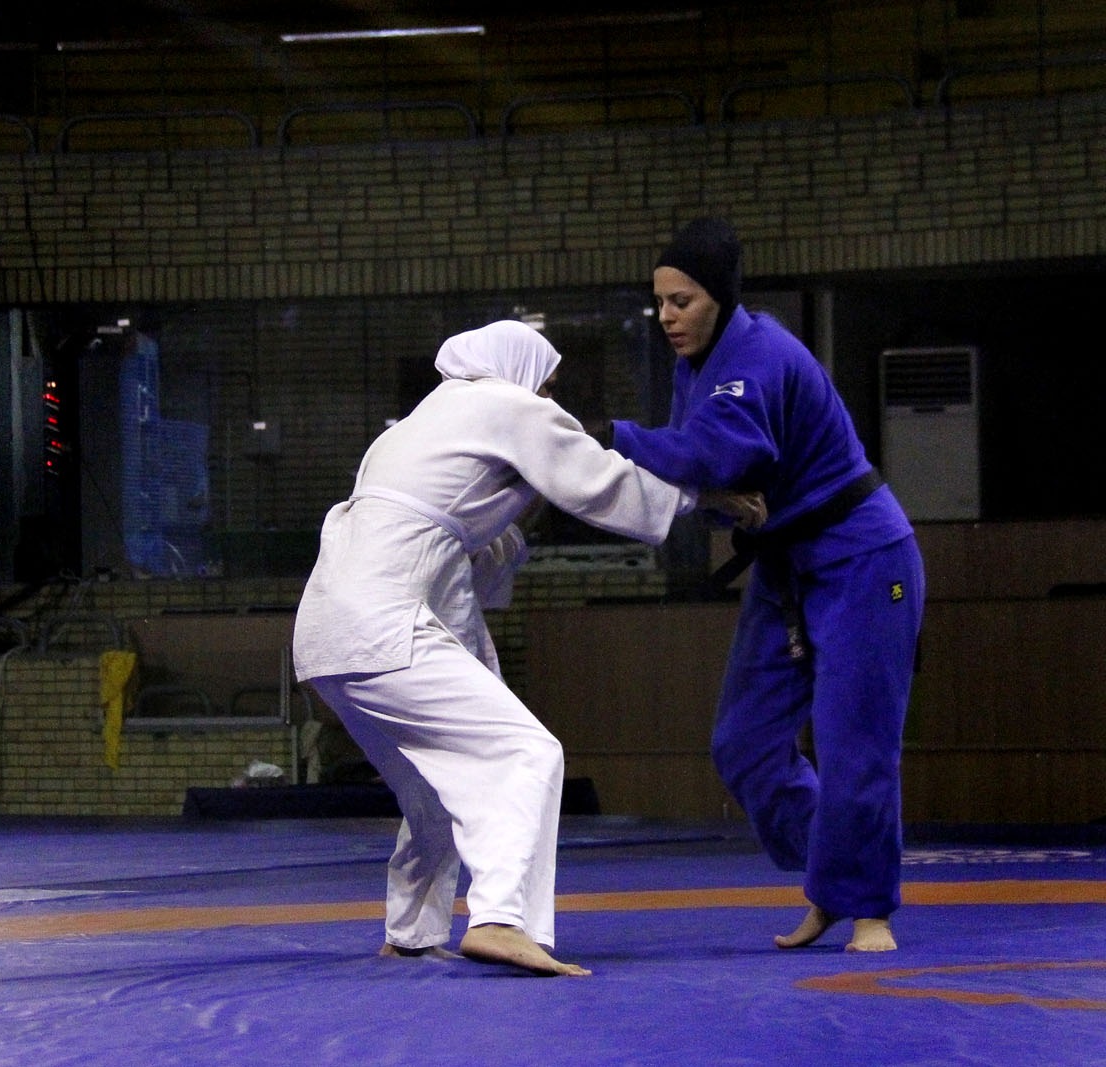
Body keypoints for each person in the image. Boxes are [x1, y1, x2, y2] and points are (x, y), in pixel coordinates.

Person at [293, 320, 764, 977]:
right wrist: (701, 498)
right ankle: (500, 920)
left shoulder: (415, 430)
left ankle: (410, 934)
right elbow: (598, 480)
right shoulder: (504, 402)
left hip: (327, 632)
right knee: (525, 752)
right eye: (546, 382)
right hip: (381, 623)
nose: (548, 396)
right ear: (516, 369)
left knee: (434, 784)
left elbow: (463, 553)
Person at [602, 218, 925, 952]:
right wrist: (718, 495)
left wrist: (613, 436)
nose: (667, 317)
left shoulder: (758, 354)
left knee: (854, 743)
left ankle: (868, 909)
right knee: (744, 743)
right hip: (787, 566)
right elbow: (714, 475)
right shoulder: (696, 365)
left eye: (682, 301)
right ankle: (833, 877)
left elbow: (713, 454)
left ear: (719, 297)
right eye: (660, 302)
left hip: (864, 560)